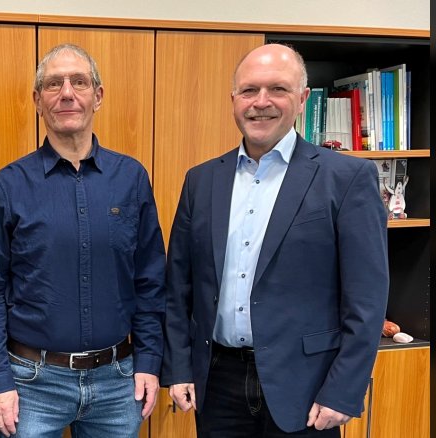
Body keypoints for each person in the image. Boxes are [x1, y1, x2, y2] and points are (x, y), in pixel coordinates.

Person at [161, 43, 388, 437]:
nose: (261, 102)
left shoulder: (347, 178)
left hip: (308, 388)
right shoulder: (201, 180)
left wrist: (344, 390)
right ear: (233, 100)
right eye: (249, 90)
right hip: (217, 385)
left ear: (302, 99)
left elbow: (366, 299)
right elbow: (178, 286)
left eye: (278, 89)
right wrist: (178, 367)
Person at [0, 44, 166, 438]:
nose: (67, 93)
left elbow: (150, 281)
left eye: (79, 82)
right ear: (37, 100)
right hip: (31, 385)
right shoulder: (9, 185)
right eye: (53, 84)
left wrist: (149, 360)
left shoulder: (131, 179)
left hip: (117, 383)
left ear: (98, 95)